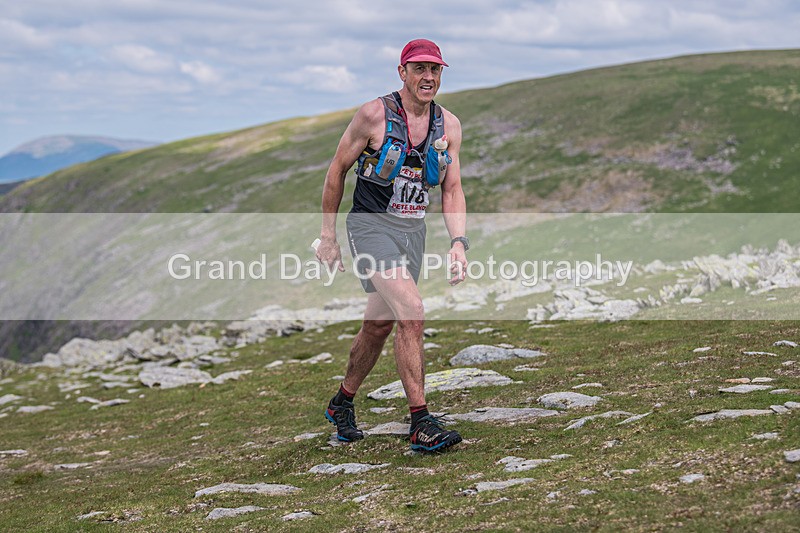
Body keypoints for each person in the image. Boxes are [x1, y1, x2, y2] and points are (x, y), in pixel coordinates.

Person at [315, 39, 469, 452]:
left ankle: (341, 402)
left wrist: (458, 243)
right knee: (412, 311)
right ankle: (420, 422)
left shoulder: (448, 125)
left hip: (411, 232)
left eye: (435, 70)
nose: (428, 77)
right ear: (402, 72)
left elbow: (451, 189)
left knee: (380, 325)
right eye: (419, 69)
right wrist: (328, 237)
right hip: (369, 226)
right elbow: (337, 171)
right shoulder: (374, 114)